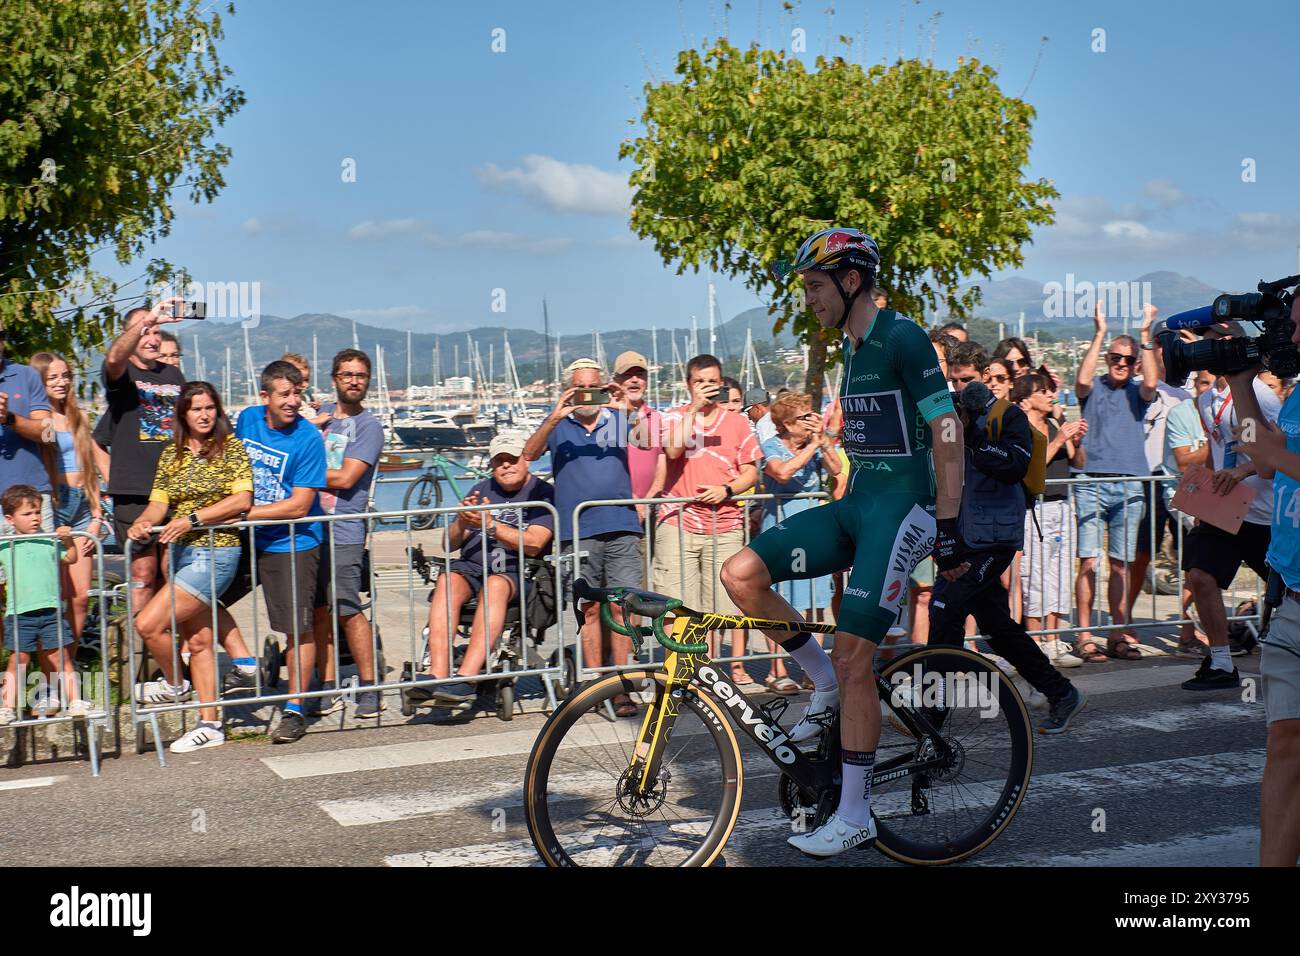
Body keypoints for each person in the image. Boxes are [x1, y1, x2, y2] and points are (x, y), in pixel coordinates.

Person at [720, 228, 965, 857]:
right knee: (742, 573)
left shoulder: (901, 336)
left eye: (815, 286)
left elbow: (946, 425)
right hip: (857, 506)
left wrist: (950, 522)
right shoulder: (851, 351)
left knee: (860, 656)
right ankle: (820, 682)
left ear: (851, 280)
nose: (809, 300)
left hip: (904, 511)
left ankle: (855, 812)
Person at [928, 375, 1085, 726]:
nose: (962, 388)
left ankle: (933, 712)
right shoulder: (941, 413)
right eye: (956, 377)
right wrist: (944, 545)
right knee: (997, 628)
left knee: (944, 608)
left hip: (993, 538)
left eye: (971, 377)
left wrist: (972, 435)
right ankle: (1060, 691)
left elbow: (1014, 466)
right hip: (962, 537)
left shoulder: (1006, 416)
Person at [127, 383, 255, 752]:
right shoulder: (172, 455)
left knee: (148, 623)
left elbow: (242, 500)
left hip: (216, 552)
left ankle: (174, 685)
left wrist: (195, 519)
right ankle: (211, 724)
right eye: (196, 408)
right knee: (199, 643)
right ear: (183, 414)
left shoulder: (232, 448)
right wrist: (141, 522)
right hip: (180, 553)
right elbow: (158, 505)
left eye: (210, 407)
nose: (204, 414)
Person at [1224, 291, 1300, 864]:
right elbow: (1263, 453)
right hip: (1294, 599)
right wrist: (1243, 383)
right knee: (1283, 745)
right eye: (1290, 325)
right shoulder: (1298, 400)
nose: (1292, 338)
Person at [523, 358, 644, 716]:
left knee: (624, 607)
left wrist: (625, 406)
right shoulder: (558, 423)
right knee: (589, 609)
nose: (588, 395)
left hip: (622, 524)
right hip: (578, 530)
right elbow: (528, 455)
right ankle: (595, 683)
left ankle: (621, 685)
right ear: (570, 390)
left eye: (595, 386)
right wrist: (555, 416)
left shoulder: (617, 420)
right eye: (581, 388)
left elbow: (650, 443)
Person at [407, 435, 555, 709]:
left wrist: (491, 525)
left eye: (512, 459)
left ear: (526, 460)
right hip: (472, 568)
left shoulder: (541, 494)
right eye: (499, 462)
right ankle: (437, 674)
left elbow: (535, 544)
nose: (506, 466)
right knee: (448, 579)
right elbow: (449, 543)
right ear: (491, 466)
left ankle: (468, 677)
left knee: (495, 585)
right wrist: (462, 522)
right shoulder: (481, 488)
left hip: (515, 571)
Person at [228, 361, 327, 744]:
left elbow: (300, 505)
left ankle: (295, 709)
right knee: (198, 599)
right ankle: (244, 663)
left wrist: (244, 513)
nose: (293, 401)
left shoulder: (307, 439)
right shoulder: (248, 420)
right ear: (264, 397)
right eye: (284, 394)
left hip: (293, 542)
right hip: (246, 537)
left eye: (298, 393)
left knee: (296, 629)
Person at [1180, 321, 1279, 691]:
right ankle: (1221, 663)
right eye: (1206, 347)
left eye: (1217, 345)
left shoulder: (1260, 396)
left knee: (1286, 592)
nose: (1209, 353)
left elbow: (1276, 453)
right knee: (1200, 574)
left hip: (1265, 512)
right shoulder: (1206, 399)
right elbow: (1216, 454)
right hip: (1226, 509)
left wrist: (1242, 472)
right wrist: (1199, 498)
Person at [658, 354, 760, 676]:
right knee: (675, 604)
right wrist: (692, 411)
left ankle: (710, 671)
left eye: (713, 381)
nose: (708, 387)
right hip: (678, 520)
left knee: (722, 606)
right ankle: (676, 669)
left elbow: (750, 472)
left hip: (724, 523)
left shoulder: (737, 422)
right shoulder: (674, 417)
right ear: (689, 385)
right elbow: (673, 450)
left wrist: (728, 489)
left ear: (721, 383)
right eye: (701, 382)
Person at [1072, 299, 1159, 661]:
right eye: (1115, 358)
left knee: (1121, 564)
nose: (1121, 364)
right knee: (1089, 562)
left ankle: (1118, 633)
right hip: (1090, 482)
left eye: (1127, 359)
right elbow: (1079, 379)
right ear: (1108, 359)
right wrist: (1100, 334)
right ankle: (1084, 634)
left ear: (1135, 362)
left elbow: (1152, 382)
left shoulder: (1138, 393)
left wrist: (1145, 334)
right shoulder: (1092, 389)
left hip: (1129, 486)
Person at [97, 299, 187, 622]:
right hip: (135, 492)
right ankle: (143, 660)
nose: (152, 338)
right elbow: (113, 357)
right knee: (143, 573)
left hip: (176, 491)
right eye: (146, 331)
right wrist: (147, 318)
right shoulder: (123, 374)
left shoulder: (174, 375)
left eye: (157, 332)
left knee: (174, 573)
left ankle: (175, 654)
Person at [310, 349, 385, 719]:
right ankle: (327, 685)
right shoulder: (318, 416)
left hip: (344, 529)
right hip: (307, 528)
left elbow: (345, 478)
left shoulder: (369, 426)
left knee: (347, 608)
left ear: (367, 382)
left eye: (360, 376)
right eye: (346, 374)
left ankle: (370, 685)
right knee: (318, 613)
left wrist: (297, 476)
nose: (354, 381)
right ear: (334, 378)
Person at [759, 391, 842, 693]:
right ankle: (775, 669)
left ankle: (814, 671)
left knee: (817, 603)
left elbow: (836, 471)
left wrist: (822, 442)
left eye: (811, 415)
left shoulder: (814, 444)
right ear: (785, 424)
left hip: (813, 533)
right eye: (803, 418)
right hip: (781, 533)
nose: (809, 422)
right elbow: (782, 472)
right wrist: (812, 448)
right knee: (777, 601)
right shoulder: (771, 445)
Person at [30, 353, 105, 649]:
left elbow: (90, 470)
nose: (62, 382)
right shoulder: (40, 422)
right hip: (54, 506)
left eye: (66, 376)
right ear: (40, 382)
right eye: (53, 378)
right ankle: (50, 672)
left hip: (83, 508)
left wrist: (98, 516)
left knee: (80, 598)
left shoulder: (79, 418)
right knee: (53, 598)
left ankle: (67, 670)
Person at [1013, 373, 1086, 664]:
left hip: (1061, 504)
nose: (1049, 395)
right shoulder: (1023, 428)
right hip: (1035, 508)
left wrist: (1076, 441)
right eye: (1041, 391)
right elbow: (1032, 466)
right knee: (1035, 574)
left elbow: (1078, 462)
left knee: (1059, 573)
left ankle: (1054, 639)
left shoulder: (1055, 422)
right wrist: (1058, 439)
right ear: (1027, 398)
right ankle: (1035, 641)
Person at [0, 486, 83, 725]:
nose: (35, 518)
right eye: (27, 514)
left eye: (37, 512)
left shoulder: (48, 539)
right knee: (18, 661)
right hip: (20, 614)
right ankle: (7, 707)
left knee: (61, 658)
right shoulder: (5, 544)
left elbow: (71, 558)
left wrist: (68, 541)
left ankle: (75, 701)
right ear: (10, 519)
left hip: (51, 611)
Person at [1163, 370, 1214, 651]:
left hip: (1217, 495)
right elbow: (1184, 463)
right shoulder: (1181, 413)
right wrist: (1218, 442)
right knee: (1200, 566)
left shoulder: (1225, 409)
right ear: (1195, 385)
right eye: (1202, 382)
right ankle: (1189, 630)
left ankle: (1201, 628)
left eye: (1212, 382)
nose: (1207, 389)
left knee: (1204, 566)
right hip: (1183, 493)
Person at [0, 319, 55, 529]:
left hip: (31, 501)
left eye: (1, 336)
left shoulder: (27, 375)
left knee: (42, 562)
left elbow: (49, 434)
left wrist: (10, 419)